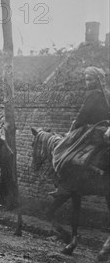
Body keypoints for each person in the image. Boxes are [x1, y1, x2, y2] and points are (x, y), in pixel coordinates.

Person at [51, 66, 110, 197]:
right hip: (105, 129)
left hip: (92, 130)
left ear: (98, 80)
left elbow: (82, 115)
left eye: (90, 79)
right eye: (86, 80)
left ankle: (64, 185)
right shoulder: (107, 94)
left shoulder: (93, 94)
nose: (87, 83)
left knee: (62, 150)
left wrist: (71, 130)